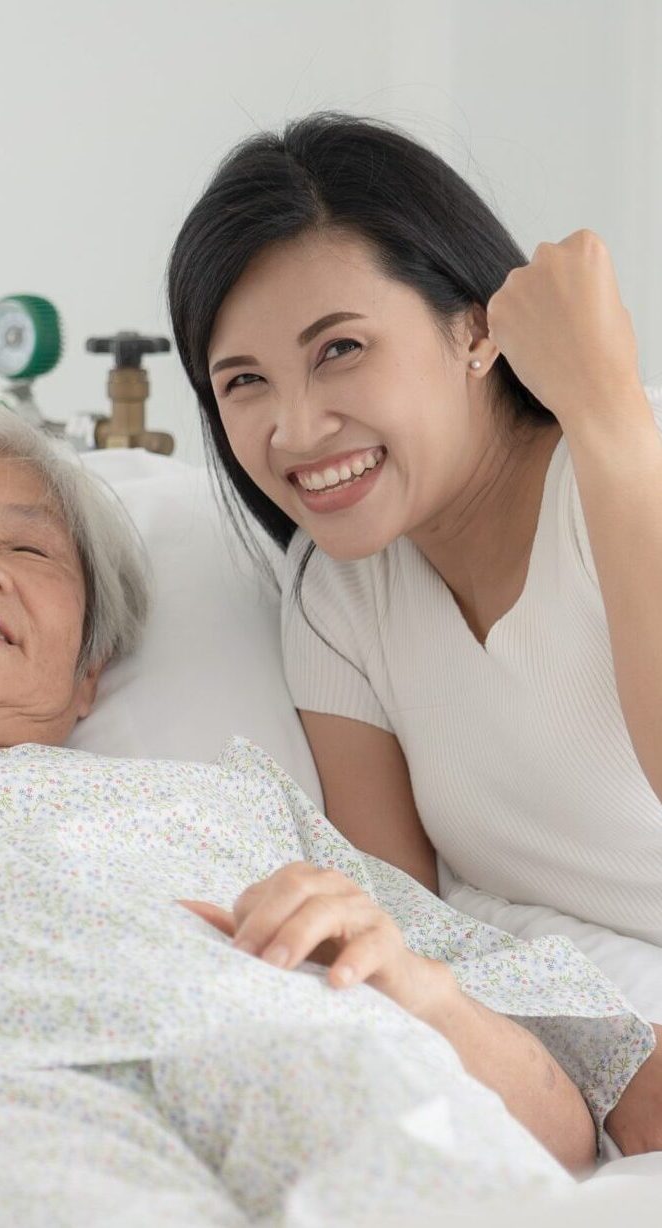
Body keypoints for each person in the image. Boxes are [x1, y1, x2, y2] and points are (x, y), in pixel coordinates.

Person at [0, 403, 654, 1226]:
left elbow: (566, 1130)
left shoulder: (241, 808)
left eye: (28, 551)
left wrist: (413, 990)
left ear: (88, 669)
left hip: (289, 1044)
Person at [167, 113, 662, 1153]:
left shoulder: (621, 463)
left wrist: (609, 414)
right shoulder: (336, 599)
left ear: (476, 329)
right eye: (243, 380)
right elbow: (409, 921)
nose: (292, 431)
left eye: (338, 349)